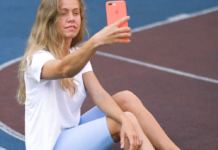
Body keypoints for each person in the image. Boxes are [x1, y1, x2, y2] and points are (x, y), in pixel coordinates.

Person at [16, 0, 180, 150]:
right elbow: (63, 69)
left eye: (75, 12)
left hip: (73, 132)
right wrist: (95, 42)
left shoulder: (76, 54)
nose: (71, 18)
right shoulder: (36, 59)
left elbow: (99, 94)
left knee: (126, 99)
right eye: (63, 13)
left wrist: (125, 120)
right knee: (124, 120)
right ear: (49, 19)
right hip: (51, 145)